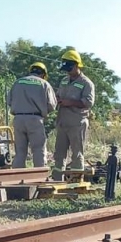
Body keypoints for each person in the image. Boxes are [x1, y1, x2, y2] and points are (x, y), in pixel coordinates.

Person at [52, 49, 95, 181]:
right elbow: (58, 95)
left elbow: (89, 102)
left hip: (77, 123)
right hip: (63, 122)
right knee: (59, 154)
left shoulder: (86, 83)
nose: (68, 72)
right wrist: (57, 99)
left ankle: (76, 181)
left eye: (70, 68)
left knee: (77, 154)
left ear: (77, 65)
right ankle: (57, 179)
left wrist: (70, 102)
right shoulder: (64, 81)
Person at [6, 62, 57, 168]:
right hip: (35, 119)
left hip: (18, 119)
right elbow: (52, 105)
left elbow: (9, 101)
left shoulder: (18, 82)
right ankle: (39, 177)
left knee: (20, 152)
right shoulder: (44, 84)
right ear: (43, 74)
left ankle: (18, 179)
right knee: (38, 150)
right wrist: (43, 111)